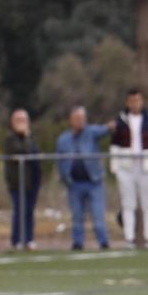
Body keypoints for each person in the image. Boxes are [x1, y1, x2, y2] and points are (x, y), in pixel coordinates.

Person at [110, 88, 148, 249]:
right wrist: (116, 168)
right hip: (126, 168)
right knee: (128, 204)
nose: (135, 104)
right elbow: (114, 145)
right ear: (127, 102)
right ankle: (129, 239)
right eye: (132, 101)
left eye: (137, 100)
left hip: (146, 167)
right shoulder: (121, 121)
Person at [56, 107, 112, 250]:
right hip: (74, 183)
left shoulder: (91, 132)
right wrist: (65, 178)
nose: (81, 121)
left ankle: (104, 242)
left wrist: (112, 126)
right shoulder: (63, 139)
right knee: (77, 216)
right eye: (77, 118)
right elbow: (60, 161)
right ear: (70, 120)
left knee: (98, 214)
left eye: (83, 118)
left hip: (94, 182)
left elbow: (105, 130)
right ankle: (78, 243)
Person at [3, 109, 42, 252]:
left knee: (29, 212)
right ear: (12, 123)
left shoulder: (31, 137)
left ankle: (29, 240)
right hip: (17, 182)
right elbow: (23, 151)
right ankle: (16, 241)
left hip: (32, 181)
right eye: (18, 120)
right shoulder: (10, 138)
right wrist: (25, 136)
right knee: (20, 211)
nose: (21, 123)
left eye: (24, 120)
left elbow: (35, 154)